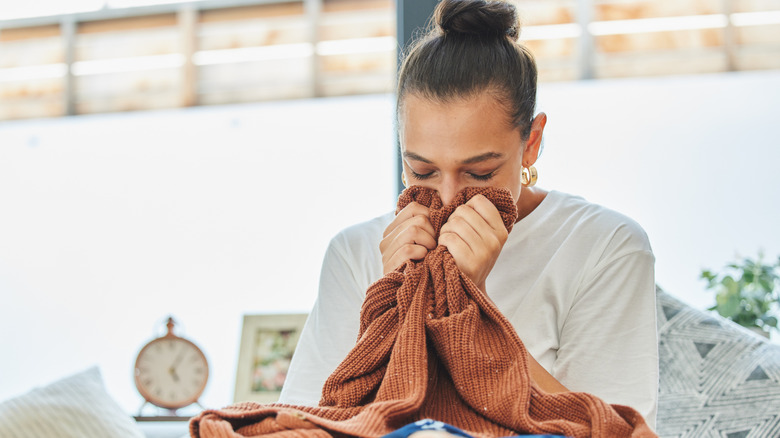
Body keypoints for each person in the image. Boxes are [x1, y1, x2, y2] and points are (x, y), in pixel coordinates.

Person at [280, 0, 658, 429]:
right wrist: (391, 303)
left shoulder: (603, 245)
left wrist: (473, 305)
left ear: (531, 143)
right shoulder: (355, 252)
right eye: (422, 170)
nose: (448, 196)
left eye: (479, 173)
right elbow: (305, 422)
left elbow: (616, 429)